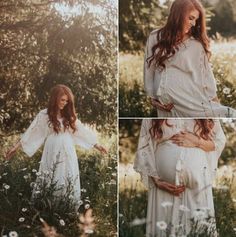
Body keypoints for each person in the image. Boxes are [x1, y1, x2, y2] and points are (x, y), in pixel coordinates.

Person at [5, 84, 107, 207]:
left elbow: (81, 130)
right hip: (51, 149)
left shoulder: (69, 115)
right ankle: (48, 207)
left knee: (67, 174)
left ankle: (67, 207)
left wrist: (97, 145)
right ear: (55, 99)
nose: (64, 103)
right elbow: (31, 132)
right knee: (51, 174)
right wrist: (15, 148)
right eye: (62, 100)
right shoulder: (44, 115)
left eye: (66, 101)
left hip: (68, 149)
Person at [134, 119, 226, 236]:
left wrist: (198, 142)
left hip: (198, 185)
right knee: (164, 227)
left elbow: (219, 142)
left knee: (199, 228)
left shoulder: (204, 107)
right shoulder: (158, 106)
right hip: (164, 185)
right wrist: (156, 180)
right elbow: (145, 143)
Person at [144, 0, 236, 117]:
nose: (193, 23)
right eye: (191, 18)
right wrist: (152, 98)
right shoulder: (155, 37)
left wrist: (215, 103)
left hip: (191, 101)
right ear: (178, 15)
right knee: (175, 133)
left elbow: (206, 76)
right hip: (166, 105)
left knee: (229, 114)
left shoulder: (196, 44)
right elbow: (149, 68)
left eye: (196, 20)